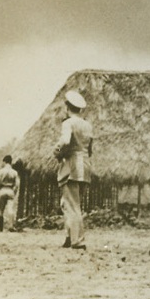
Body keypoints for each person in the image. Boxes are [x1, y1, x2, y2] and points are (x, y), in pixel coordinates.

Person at [55, 90, 93, 250]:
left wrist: (57, 152)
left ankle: (77, 241)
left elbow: (64, 141)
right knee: (69, 204)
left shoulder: (68, 123)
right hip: (85, 165)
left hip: (71, 166)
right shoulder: (87, 125)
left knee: (72, 205)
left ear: (67, 107)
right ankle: (69, 237)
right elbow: (90, 148)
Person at [0, 154, 20, 232]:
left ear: (4, 162)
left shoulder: (1, 171)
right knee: (10, 209)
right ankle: (11, 226)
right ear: (11, 162)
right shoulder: (14, 172)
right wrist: (14, 192)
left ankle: (1, 229)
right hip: (10, 190)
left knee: (0, 210)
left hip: (2, 190)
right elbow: (17, 184)